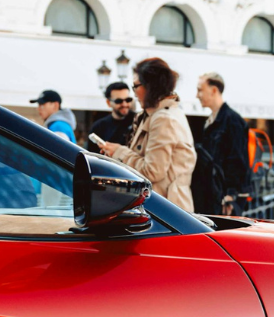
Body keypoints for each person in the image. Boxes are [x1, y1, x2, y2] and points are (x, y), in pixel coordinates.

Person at [98, 57, 196, 212]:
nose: (134, 92)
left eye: (136, 86)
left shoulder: (162, 118)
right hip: (165, 207)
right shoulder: (157, 115)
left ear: (149, 87)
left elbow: (152, 171)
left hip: (165, 210)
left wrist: (119, 152)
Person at [195, 72, 252, 216]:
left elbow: (238, 160)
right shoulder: (211, 121)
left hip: (222, 200)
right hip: (211, 195)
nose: (197, 95)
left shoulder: (232, 120)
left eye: (200, 90)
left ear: (214, 90)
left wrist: (230, 196)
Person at [87, 82, 135, 153]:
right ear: (108, 103)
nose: (124, 104)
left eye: (128, 100)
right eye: (119, 101)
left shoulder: (140, 121)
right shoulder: (99, 127)